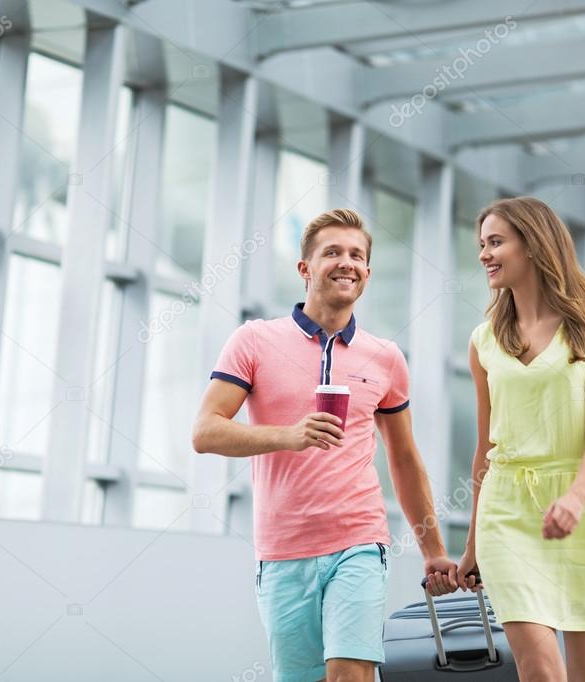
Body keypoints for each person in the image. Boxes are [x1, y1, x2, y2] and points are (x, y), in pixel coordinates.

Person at [192, 208, 458, 682]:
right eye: (332, 252)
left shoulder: (386, 357)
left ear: (368, 274)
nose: (346, 262)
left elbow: (403, 457)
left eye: (357, 255)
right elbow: (206, 431)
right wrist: (287, 435)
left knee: (348, 675)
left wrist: (432, 548)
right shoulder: (254, 340)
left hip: (358, 540)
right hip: (281, 550)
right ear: (305, 269)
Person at [455, 197, 585, 682]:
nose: (484, 254)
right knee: (539, 669)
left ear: (532, 244)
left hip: (584, 512)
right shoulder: (483, 340)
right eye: (481, 245)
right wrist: (471, 548)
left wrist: (575, 497)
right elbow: (485, 448)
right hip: (507, 514)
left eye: (496, 242)